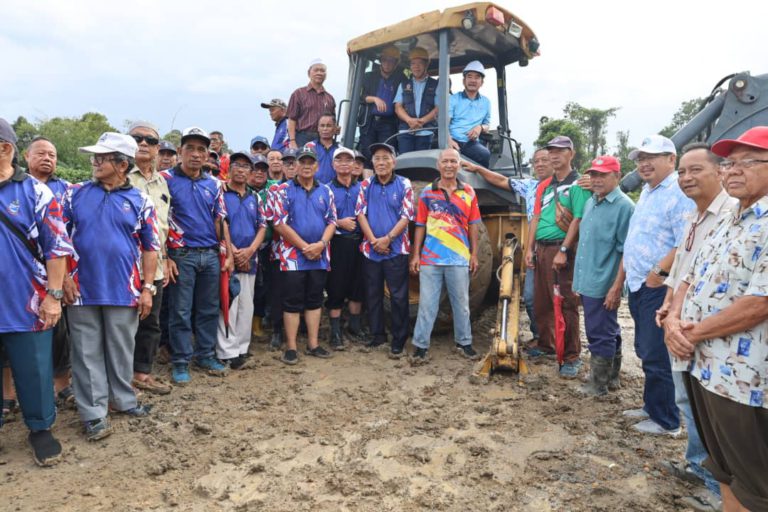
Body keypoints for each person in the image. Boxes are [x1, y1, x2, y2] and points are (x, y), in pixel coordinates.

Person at [664, 126, 768, 512]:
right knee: (723, 469)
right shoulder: (728, 218)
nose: (734, 171)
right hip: (705, 368)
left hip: (745, 379)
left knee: (755, 484)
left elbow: (759, 302)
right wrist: (675, 319)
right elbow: (691, 274)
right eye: (730, 163)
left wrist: (691, 332)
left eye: (750, 161)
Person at [63, 132, 159, 441]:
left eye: (101, 158)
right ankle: (93, 413)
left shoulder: (141, 201)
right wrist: (63, 278)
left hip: (124, 289)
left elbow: (151, 248)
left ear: (121, 164)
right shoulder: (73, 194)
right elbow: (57, 241)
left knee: (121, 347)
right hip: (81, 289)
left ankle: (123, 401)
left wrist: (147, 288)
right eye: (95, 157)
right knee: (86, 352)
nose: (94, 162)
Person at [654, 142, 735, 510]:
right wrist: (669, 305)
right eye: (683, 172)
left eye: (695, 170)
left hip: (710, 331)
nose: (686, 178)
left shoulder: (733, 216)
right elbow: (683, 270)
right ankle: (698, 466)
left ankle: (720, 490)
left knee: (715, 415)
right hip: (681, 324)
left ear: (720, 171)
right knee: (688, 400)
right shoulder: (695, 216)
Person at [0, 118, 72, 466]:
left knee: (34, 369)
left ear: (5, 148)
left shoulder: (34, 191)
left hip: (25, 302)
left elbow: (57, 247)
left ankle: (41, 430)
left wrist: (53, 295)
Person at [623, 134, 693, 436]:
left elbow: (684, 242)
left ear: (671, 160)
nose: (644, 163)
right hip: (638, 283)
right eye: (640, 158)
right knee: (644, 348)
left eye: (651, 157)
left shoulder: (678, 192)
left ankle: (666, 420)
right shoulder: (650, 192)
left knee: (656, 351)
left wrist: (657, 272)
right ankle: (652, 405)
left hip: (656, 286)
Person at [161, 127, 234, 385]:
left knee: (208, 309)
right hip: (181, 254)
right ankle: (180, 360)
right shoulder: (165, 179)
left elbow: (220, 219)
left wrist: (227, 252)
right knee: (180, 310)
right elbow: (157, 219)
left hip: (211, 255)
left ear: (207, 155)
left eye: (201, 149)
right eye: (189, 148)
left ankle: (205, 354)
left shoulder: (214, 184)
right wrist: (164, 255)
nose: (195, 154)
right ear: (180, 152)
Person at [462, 147, 554, 345]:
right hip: (535, 247)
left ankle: (560, 344)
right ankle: (541, 338)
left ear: (554, 161)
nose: (539, 164)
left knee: (556, 297)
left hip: (556, 248)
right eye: (536, 160)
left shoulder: (567, 187)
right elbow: (502, 180)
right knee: (531, 297)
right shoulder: (530, 187)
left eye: (544, 160)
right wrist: (478, 170)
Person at [525, 135, 592, 378]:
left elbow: (578, 218)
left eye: (560, 151)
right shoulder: (543, 186)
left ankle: (572, 355)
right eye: (551, 151)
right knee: (542, 301)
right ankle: (546, 344)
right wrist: (530, 249)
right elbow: (536, 218)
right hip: (542, 249)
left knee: (566, 303)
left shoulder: (578, 185)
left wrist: (564, 249)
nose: (554, 155)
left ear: (571, 154)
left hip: (563, 249)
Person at [410, 149, 481, 363]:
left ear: (459, 165)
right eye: (445, 161)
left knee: (461, 303)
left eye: (453, 161)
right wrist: (416, 255)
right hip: (431, 259)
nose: (449, 165)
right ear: (438, 165)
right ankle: (420, 346)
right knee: (427, 305)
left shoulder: (468, 192)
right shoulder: (427, 193)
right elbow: (420, 225)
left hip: (459, 258)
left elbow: (474, 225)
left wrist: (474, 254)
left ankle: (464, 342)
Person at [572, 156, 634, 396]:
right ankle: (611, 377)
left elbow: (626, 251)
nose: (597, 180)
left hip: (603, 281)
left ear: (617, 177)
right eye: (594, 175)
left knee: (599, 332)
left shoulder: (624, 207)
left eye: (603, 175)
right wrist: (579, 281)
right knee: (608, 329)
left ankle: (597, 384)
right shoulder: (592, 202)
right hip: (588, 279)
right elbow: (587, 244)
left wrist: (616, 287)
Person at [271, 147, 337, 364]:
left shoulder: (326, 191)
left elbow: (332, 222)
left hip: (319, 256)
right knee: (291, 302)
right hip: (292, 258)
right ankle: (291, 347)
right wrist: (304, 247)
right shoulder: (283, 190)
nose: (307, 166)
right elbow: (279, 223)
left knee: (314, 301)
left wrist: (320, 244)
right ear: (295, 166)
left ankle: (313, 344)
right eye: (302, 162)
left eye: (311, 162)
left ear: (317, 166)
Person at [24, 137, 73, 403]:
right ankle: (10, 394)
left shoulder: (67, 190)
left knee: (58, 333)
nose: (48, 158)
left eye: (52, 154)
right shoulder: (14, 188)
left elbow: (67, 238)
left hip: (55, 272)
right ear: (26, 156)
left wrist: (65, 277)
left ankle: (62, 385)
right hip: (20, 275)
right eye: (41, 153)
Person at [127, 121, 173, 396]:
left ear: (158, 149)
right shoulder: (119, 178)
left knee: (150, 323)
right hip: (126, 267)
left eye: (150, 140)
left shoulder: (162, 183)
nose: (143, 144)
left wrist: (165, 260)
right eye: (137, 138)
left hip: (154, 265)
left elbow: (163, 227)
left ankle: (141, 374)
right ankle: (120, 379)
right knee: (123, 325)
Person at [355, 142, 414, 357]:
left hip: (396, 250)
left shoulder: (404, 184)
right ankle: (377, 334)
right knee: (373, 295)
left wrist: (387, 239)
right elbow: (360, 214)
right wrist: (373, 240)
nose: (381, 162)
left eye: (385, 158)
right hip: (371, 251)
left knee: (398, 296)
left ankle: (399, 339)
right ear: (372, 163)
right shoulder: (365, 185)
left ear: (393, 162)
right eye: (377, 158)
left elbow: (406, 216)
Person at [217, 152, 267, 369]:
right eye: (236, 164)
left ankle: (241, 349)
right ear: (229, 167)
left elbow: (262, 226)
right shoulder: (220, 192)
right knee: (229, 305)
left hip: (251, 260)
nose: (241, 169)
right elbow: (219, 222)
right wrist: (234, 252)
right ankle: (226, 352)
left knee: (247, 306)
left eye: (246, 166)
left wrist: (250, 251)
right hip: (227, 259)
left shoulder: (254, 197)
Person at [325, 147, 365, 350]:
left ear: (354, 164)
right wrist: (339, 222)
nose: (343, 163)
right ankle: (335, 331)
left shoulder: (363, 189)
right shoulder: (326, 189)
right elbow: (319, 216)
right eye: (339, 160)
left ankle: (355, 326)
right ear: (333, 165)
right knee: (336, 287)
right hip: (337, 243)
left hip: (360, 242)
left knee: (357, 286)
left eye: (348, 160)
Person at [358, 45, 406, 162]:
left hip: (389, 123)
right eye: (385, 60)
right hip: (369, 121)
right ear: (381, 61)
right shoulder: (368, 77)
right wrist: (374, 99)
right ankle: (368, 179)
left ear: (396, 63)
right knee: (367, 154)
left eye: (391, 61)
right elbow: (360, 96)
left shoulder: (401, 78)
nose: (387, 64)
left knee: (385, 154)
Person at [394, 47, 439, 154]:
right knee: (404, 165)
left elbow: (439, 108)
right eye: (413, 63)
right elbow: (398, 107)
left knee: (421, 167)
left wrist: (422, 122)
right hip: (405, 131)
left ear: (426, 64)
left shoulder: (436, 84)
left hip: (426, 132)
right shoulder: (403, 84)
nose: (416, 67)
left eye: (420, 63)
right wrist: (409, 120)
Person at [448, 60, 491, 168]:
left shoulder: (486, 102)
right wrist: (449, 140)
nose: (473, 80)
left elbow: (487, 124)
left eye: (477, 77)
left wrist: (480, 127)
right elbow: (444, 123)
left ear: (482, 82)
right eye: (469, 76)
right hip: (453, 140)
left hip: (470, 143)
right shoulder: (453, 99)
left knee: (484, 154)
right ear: (464, 81)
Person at [287, 59, 336, 148]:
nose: (319, 73)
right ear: (309, 73)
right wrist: (292, 141)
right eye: (316, 70)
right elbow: (291, 119)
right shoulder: (298, 93)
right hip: (302, 138)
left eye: (322, 71)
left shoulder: (330, 98)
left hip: (323, 139)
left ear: (326, 75)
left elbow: (333, 121)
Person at [306, 113, 338, 184]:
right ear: (318, 128)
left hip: (334, 190)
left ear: (335, 128)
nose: (325, 129)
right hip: (312, 189)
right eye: (322, 125)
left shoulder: (340, 150)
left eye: (329, 126)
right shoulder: (309, 147)